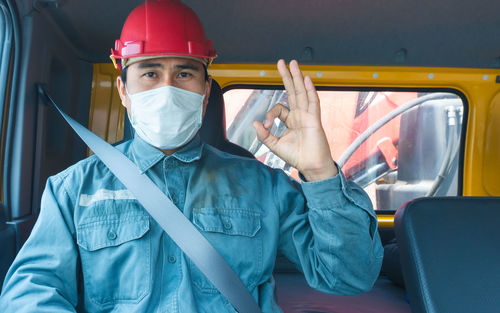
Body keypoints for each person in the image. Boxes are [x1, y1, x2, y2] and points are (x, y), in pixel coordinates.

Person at [0, 0, 383, 312]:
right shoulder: (72, 190)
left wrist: (320, 174)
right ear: (123, 90)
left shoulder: (263, 186)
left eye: (184, 73)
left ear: (205, 91)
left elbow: (349, 276)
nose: (167, 88)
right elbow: (30, 293)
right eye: (149, 73)